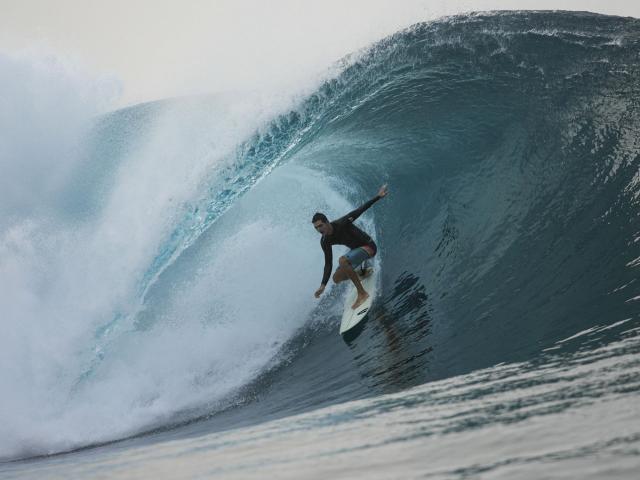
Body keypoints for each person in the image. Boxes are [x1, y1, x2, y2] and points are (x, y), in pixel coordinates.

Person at [312, 184, 388, 309]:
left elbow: (360, 210)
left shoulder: (342, 223)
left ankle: (362, 294)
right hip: (356, 251)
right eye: (316, 228)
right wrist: (323, 285)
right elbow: (328, 263)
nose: (319, 229)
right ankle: (361, 273)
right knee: (336, 278)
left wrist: (378, 197)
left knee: (342, 260)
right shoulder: (325, 241)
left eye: (320, 226)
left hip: (369, 246)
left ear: (326, 222)